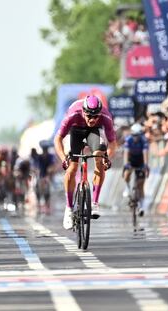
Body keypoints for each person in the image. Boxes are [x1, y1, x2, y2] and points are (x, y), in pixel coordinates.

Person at [54, 95, 117, 230]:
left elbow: (112, 143)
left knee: (99, 159)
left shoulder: (105, 116)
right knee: (72, 167)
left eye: (96, 117)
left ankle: (94, 202)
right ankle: (69, 208)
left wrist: (107, 158)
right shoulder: (73, 114)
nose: (92, 119)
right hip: (74, 131)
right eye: (89, 116)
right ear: (83, 111)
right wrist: (63, 157)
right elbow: (58, 138)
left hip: (93, 133)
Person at [123, 123, 149, 216]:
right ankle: (127, 187)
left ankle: (141, 206)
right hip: (131, 159)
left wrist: (145, 165)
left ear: (140, 135)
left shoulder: (144, 140)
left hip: (140, 160)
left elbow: (145, 153)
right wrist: (126, 164)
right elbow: (126, 153)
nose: (135, 138)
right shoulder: (128, 139)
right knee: (126, 174)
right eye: (133, 135)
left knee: (141, 185)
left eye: (137, 136)